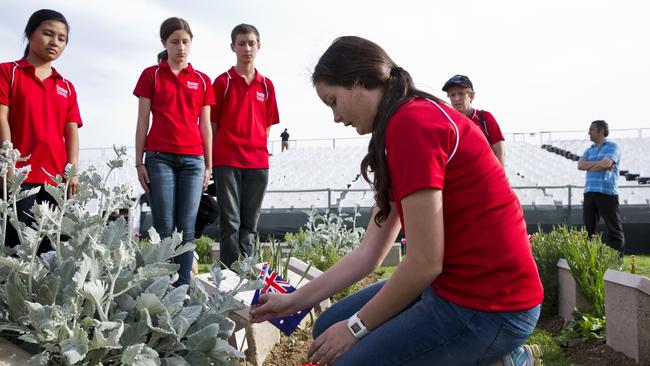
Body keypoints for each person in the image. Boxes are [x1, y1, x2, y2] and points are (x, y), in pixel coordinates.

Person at [250, 36, 543, 366]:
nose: (334, 117)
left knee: (346, 355)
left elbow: (424, 262)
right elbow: (369, 254)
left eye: (333, 101)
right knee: (326, 328)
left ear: (359, 83)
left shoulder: (411, 124)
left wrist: (356, 328)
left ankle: (496, 355)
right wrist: (293, 302)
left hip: (490, 304)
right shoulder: (397, 124)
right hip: (452, 285)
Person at [134, 17, 214, 286]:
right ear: (164, 43)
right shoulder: (151, 75)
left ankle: (182, 291)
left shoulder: (202, 80)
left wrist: (208, 166)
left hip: (193, 160)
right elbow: (142, 121)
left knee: (187, 230)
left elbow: (205, 127)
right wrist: (138, 162)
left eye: (185, 42)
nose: (181, 47)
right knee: (164, 228)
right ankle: (160, 287)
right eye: (174, 42)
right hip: (159, 158)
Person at [0, 9, 82, 251]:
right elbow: (1, 119)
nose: (54, 42)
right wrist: (8, 164)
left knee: (50, 251)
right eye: (48, 34)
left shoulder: (66, 86)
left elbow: (72, 133)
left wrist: (72, 172)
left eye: (61, 38)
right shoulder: (8, 72)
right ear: (30, 33)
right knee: (15, 248)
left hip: (55, 182)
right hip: (19, 178)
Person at [211, 24, 280, 269]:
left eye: (251, 43)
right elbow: (213, 125)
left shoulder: (266, 86)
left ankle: (248, 274)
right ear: (233, 47)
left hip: (258, 162)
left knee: (250, 223)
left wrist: (255, 145)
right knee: (230, 222)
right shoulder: (222, 82)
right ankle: (229, 276)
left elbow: (267, 125)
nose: (247, 48)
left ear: (258, 46)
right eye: (241, 43)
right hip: (227, 160)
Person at [578, 120, 624, 253]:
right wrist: (600, 165)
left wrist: (591, 165)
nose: (589, 132)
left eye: (591, 130)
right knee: (588, 229)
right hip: (590, 192)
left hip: (607, 193)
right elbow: (580, 165)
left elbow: (607, 163)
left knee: (614, 229)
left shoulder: (613, 147)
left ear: (601, 131)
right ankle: (589, 259)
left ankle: (616, 262)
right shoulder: (589, 150)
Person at [442, 74, 506, 166]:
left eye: (461, 93)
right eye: (452, 94)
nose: (456, 98)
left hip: (485, 175)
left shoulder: (485, 118)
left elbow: (500, 152)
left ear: (471, 96)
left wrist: (501, 176)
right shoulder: (446, 122)